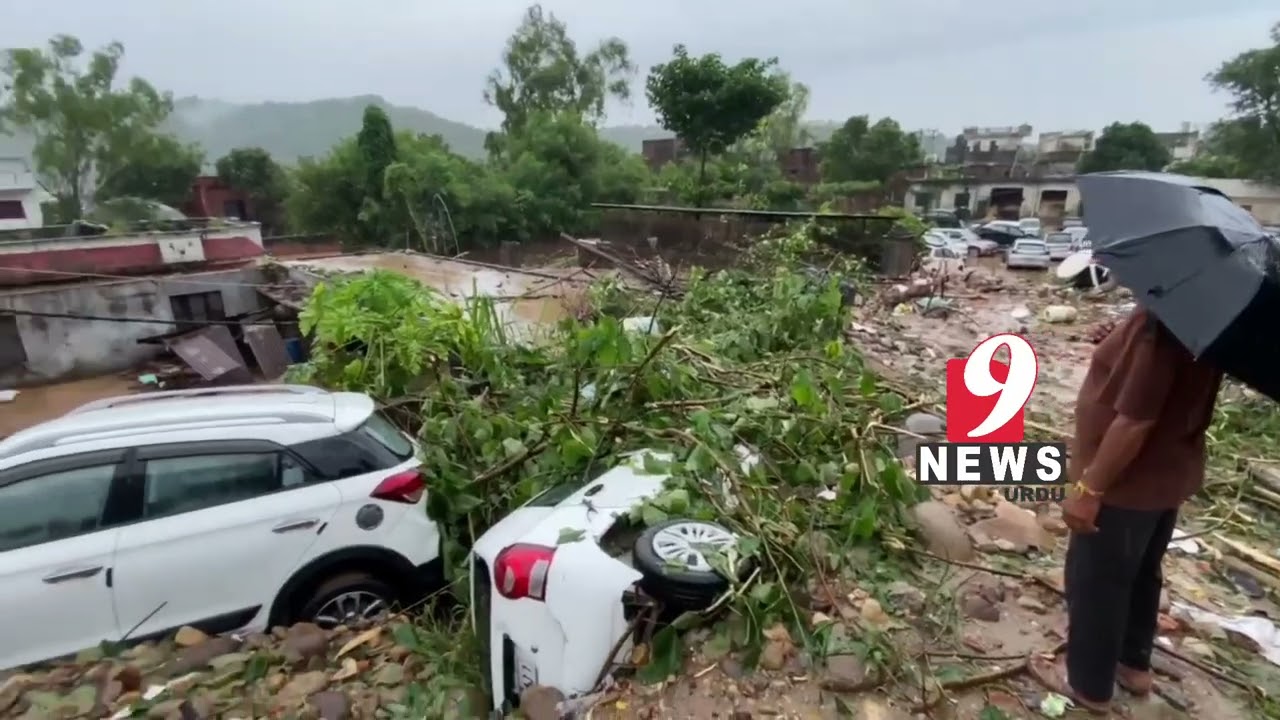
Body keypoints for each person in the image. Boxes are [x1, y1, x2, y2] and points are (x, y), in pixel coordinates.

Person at [1029, 306, 1223, 714]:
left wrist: (1088, 488)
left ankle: (1087, 684)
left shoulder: (1163, 327)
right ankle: (1133, 664)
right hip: (1167, 475)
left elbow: (1135, 421)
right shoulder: (1205, 319)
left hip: (1125, 483)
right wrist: (1119, 346)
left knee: (1097, 582)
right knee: (1140, 573)